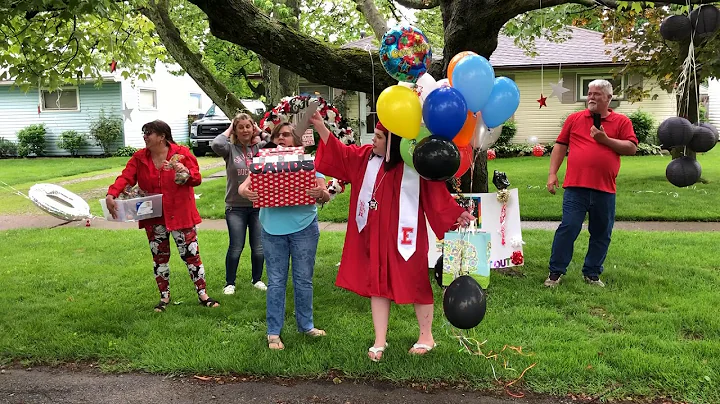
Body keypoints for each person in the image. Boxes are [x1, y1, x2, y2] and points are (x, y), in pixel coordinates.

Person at [311, 113, 474, 361]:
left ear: (393, 144)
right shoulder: (366, 157)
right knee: (377, 284)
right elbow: (341, 154)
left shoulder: (413, 165)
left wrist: (457, 213)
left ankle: (426, 336)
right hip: (375, 235)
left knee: (417, 282)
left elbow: (436, 195)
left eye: (378, 137)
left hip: (405, 237)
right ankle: (379, 339)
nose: (373, 141)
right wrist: (321, 127)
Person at [105, 120, 219, 311]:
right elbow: (126, 177)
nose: (145, 137)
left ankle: (203, 295)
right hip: (153, 215)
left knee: (191, 256)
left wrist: (184, 171)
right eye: (144, 133)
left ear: (162, 136)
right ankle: (164, 298)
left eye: (148, 133)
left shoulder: (181, 154)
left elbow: (197, 179)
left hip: (181, 215)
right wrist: (111, 193)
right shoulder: (140, 157)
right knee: (159, 258)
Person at [238, 122, 331, 350]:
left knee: (303, 280)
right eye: (278, 134)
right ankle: (273, 333)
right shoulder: (262, 162)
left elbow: (325, 193)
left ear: (296, 139)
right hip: (272, 229)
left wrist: (320, 193)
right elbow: (243, 187)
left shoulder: (308, 163)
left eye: (287, 135)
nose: (281, 138)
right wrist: (244, 191)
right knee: (277, 281)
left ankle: (306, 326)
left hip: (304, 227)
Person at [545, 79, 638, 288]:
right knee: (568, 228)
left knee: (601, 233)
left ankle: (592, 274)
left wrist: (605, 140)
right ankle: (555, 273)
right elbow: (560, 146)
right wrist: (552, 173)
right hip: (576, 187)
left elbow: (631, 148)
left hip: (605, 189)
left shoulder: (621, 122)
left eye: (597, 94)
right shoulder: (575, 119)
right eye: (589, 93)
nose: (591, 97)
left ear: (609, 98)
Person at [211, 113, 267, 294]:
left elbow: (276, 143)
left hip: (258, 206)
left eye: (248, 126)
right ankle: (230, 283)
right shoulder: (229, 149)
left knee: (258, 247)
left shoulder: (260, 147)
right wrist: (230, 128)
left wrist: (260, 130)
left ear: (253, 128)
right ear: (235, 130)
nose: (245, 130)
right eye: (240, 127)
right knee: (236, 246)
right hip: (235, 207)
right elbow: (216, 144)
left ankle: (257, 279)